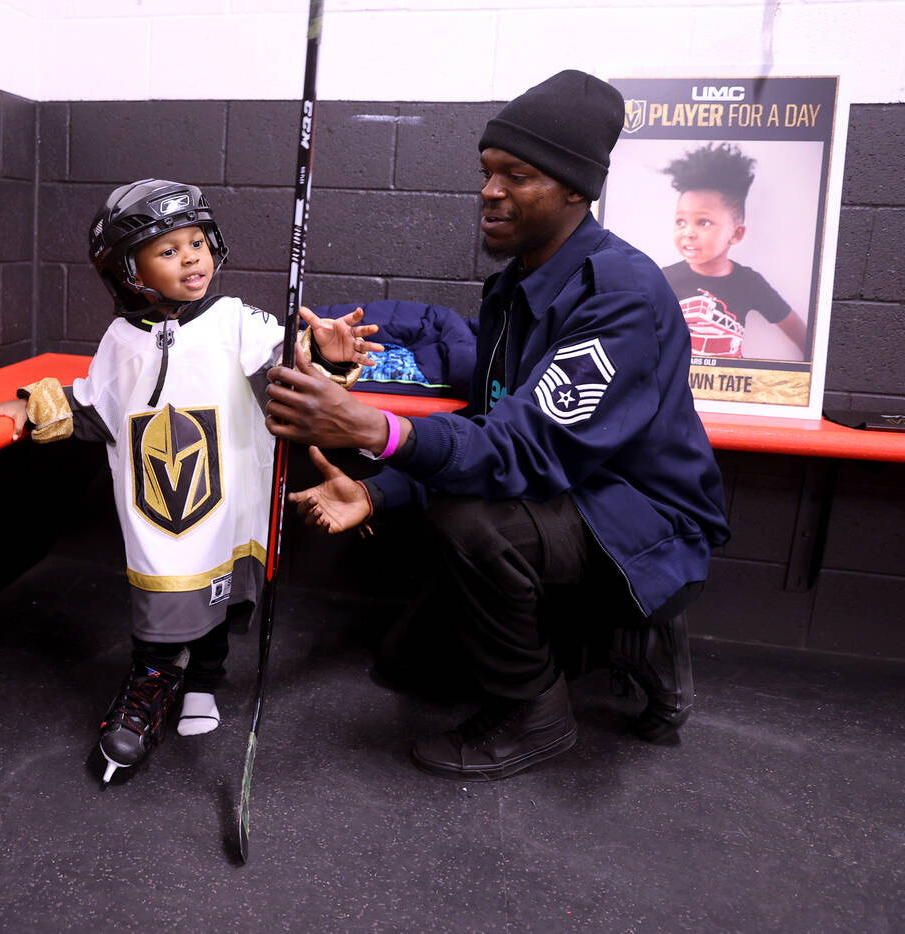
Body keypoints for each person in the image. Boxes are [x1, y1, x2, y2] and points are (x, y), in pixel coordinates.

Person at [262, 71, 731, 782]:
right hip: (563, 493)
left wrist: (370, 430)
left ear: (576, 188)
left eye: (517, 174)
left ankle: (542, 713)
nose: (489, 191)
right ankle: (593, 641)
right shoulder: (518, 286)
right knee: (405, 665)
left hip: (641, 521)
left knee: (468, 519)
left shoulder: (622, 296)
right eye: (487, 172)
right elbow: (486, 412)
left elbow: (517, 453)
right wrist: (378, 486)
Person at [0, 178, 380, 783]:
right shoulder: (120, 339)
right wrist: (31, 407)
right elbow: (94, 406)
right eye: (168, 250)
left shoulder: (238, 321)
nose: (191, 258)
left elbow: (287, 373)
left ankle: (203, 682)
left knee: (218, 598)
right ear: (129, 271)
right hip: (158, 504)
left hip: (229, 499)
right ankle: (149, 691)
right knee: (163, 602)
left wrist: (327, 361)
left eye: (197, 242)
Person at [661, 142, 808, 359]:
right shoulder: (662, 279)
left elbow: (799, 331)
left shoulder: (750, 283)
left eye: (703, 222)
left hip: (731, 390)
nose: (688, 232)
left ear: (736, 234)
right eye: (681, 221)